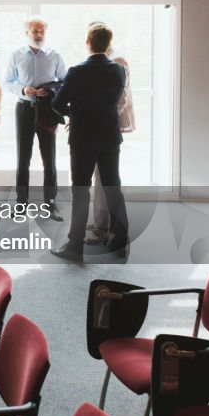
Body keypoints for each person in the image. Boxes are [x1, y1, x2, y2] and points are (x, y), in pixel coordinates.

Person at [49, 24, 130, 262]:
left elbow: (57, 103)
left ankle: (75, 246)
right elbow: (112, 99)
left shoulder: (77, 71)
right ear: (108, 44)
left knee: (81, 189)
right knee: (113, 187)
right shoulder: (118, 70)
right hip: (109, 135)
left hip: (83, 137)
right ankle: (119, 241)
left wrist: (74, 114)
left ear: (87, 42)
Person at [4, 17, 67, 220]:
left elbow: (64, 82)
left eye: (41, 31)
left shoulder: (54, 55)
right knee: (23, 158)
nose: (39, 34)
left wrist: (48, 91)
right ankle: (21, 204)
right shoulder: (16, 55)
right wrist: (23, 89)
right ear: (27, 33)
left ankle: (50, 204)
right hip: (24, 109)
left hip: (47, 111)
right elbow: (7, 82)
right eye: (35, 31)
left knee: (50, 159)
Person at [86, 22, 135, 246]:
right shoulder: (109, 58)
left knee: (108, 180)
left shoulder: (116, 60)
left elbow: (118, 99)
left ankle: (109, 229)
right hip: (103, 128)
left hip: (105, 127)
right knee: (103, 178)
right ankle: (102, 224)